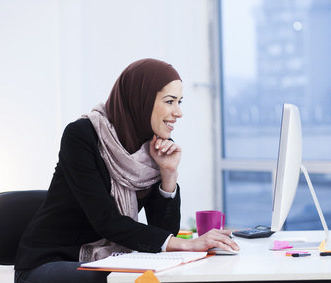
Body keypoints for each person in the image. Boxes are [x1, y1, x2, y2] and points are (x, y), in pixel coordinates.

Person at [14, 58, 239, 283]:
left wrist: (168, 174)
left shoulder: (151, 146)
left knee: (162, 276)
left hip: (108, 260)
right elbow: (106, 221)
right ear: (140, 98)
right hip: (49, 261)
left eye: (180, 102)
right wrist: (186, 244)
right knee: (120, 280)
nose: (178, 112)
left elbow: (162, 232)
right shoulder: (81, 135)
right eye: (170, 101)